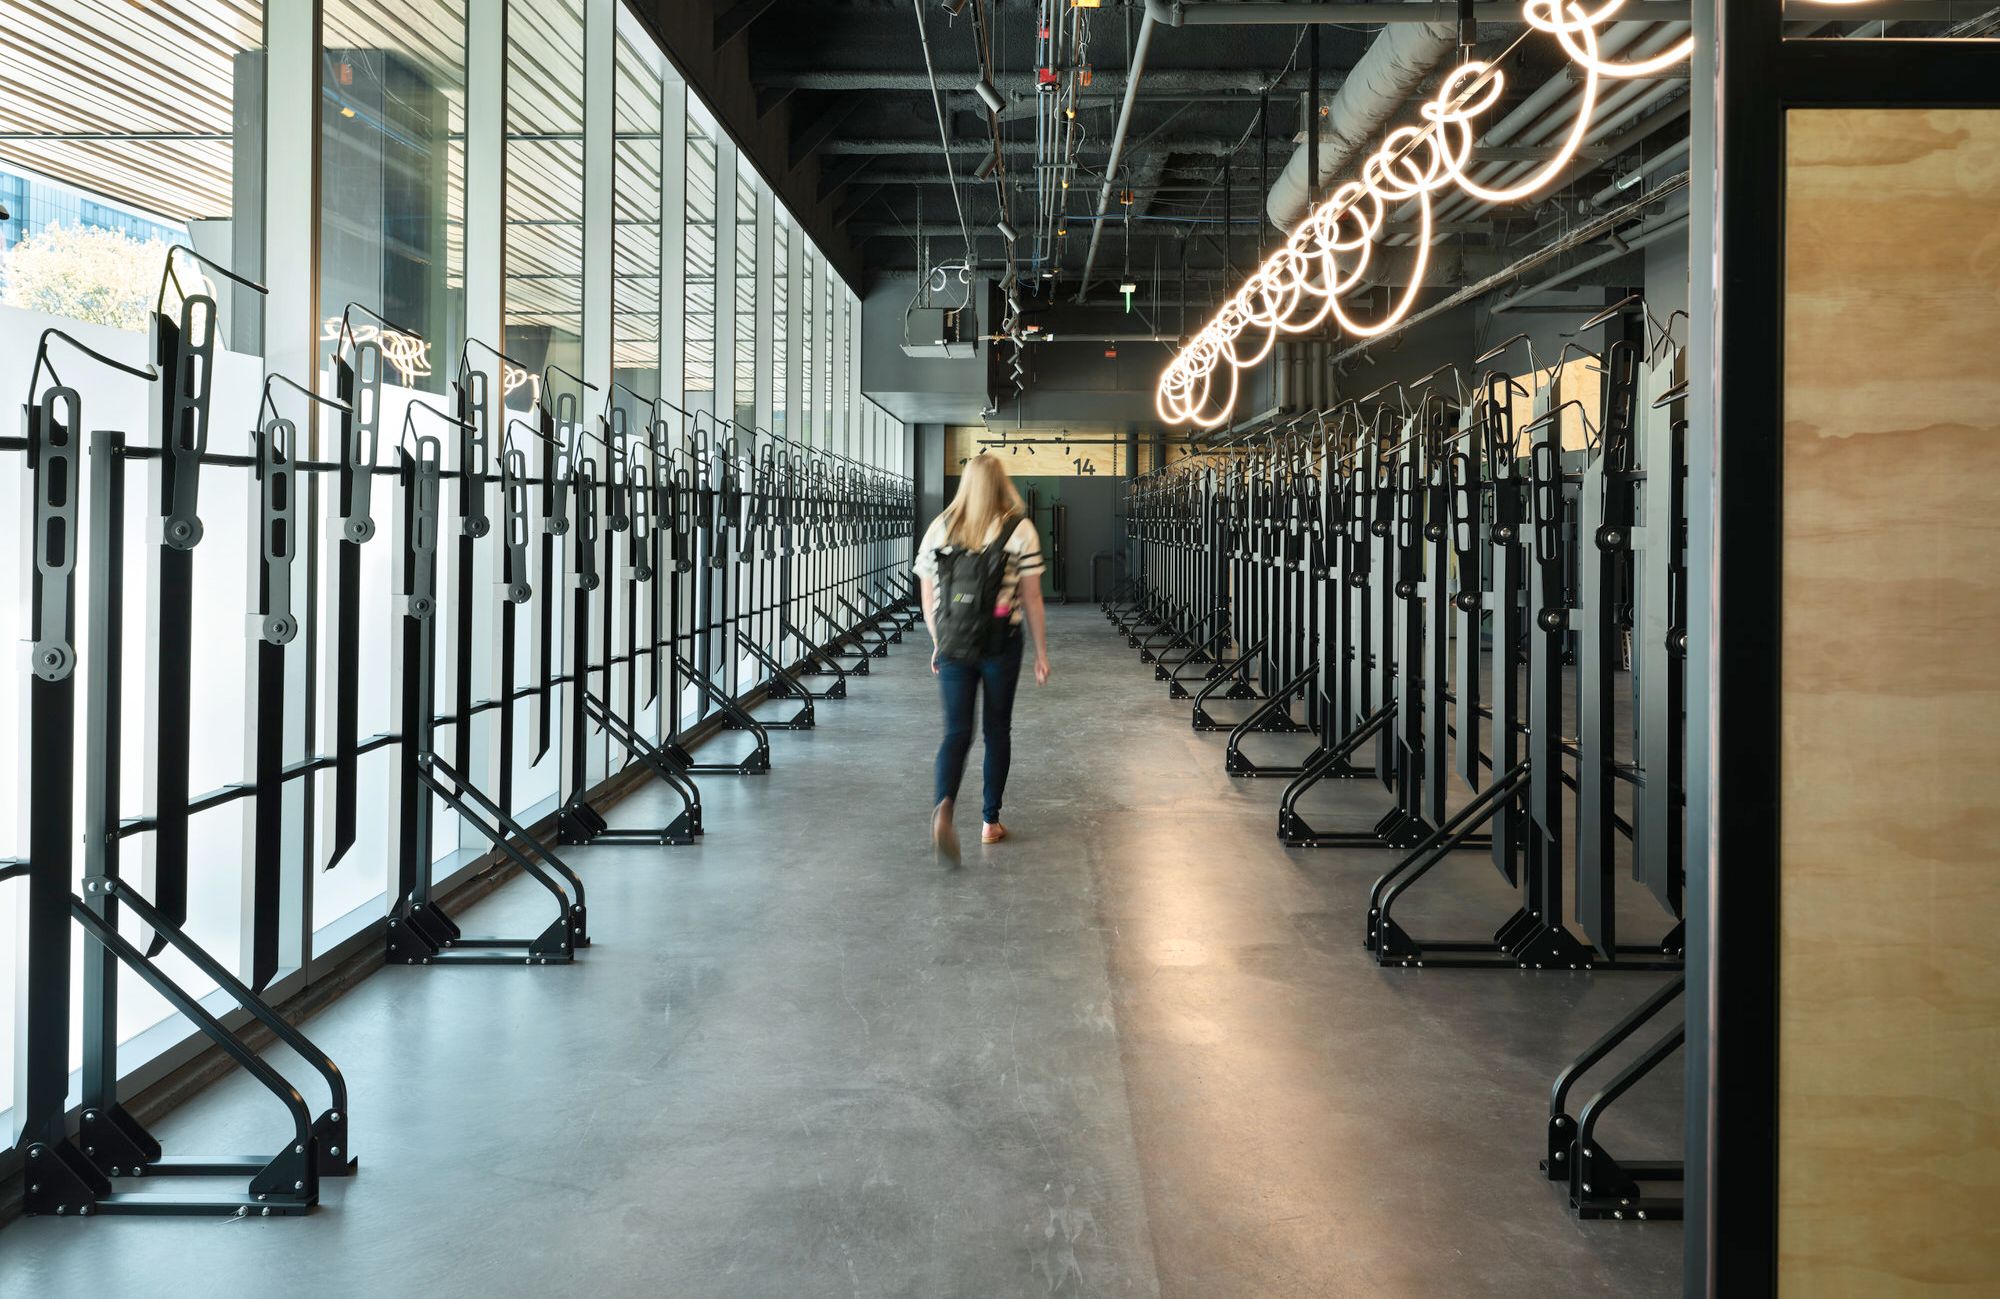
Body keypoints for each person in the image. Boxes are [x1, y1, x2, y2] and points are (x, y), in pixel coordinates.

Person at [914, 453, 1051, 858]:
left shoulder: (939, 527)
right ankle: (990, 822)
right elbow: (1033, 598)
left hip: (955, 645)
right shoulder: (1020, 529)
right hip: (1000, 643)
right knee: (996, 731)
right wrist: (1041, 653)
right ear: (1000, 483)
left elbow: (928, 596)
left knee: (956, 732)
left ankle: (945, 806)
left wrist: (939, 641)